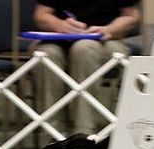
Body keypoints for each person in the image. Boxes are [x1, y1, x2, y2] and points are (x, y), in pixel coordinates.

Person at [33, 0, 140, 134]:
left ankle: (83, 132)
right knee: (46, 54)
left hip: (108, 38)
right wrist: (61, 25)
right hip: (58, 37)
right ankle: (52, 132)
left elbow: (130, 16)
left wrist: (107, 30)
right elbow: (42, 15)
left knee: (84, 48)